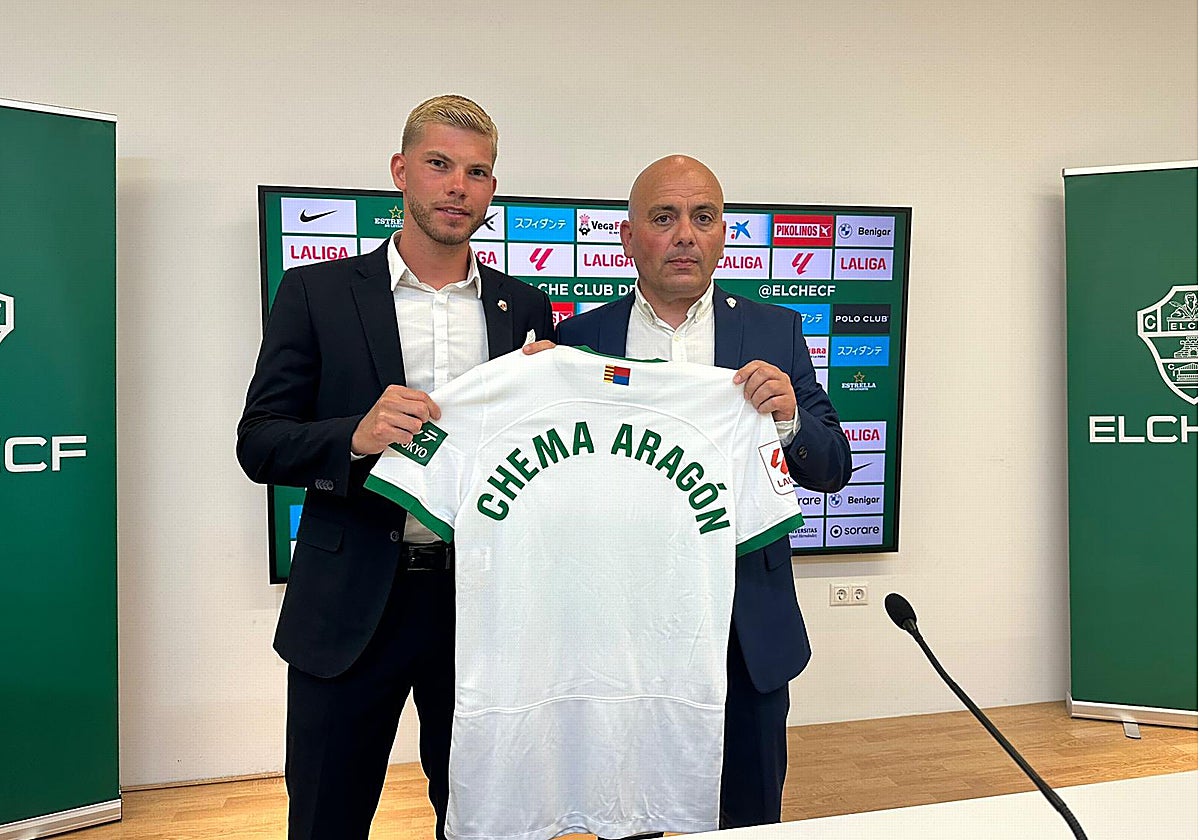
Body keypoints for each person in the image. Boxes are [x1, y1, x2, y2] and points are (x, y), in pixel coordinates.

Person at [237, 95, 553, 840]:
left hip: (484, 607)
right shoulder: (316, 293)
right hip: (347, 606)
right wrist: (356, 436)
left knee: (484, 822)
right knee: (327, 821)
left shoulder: (524, 308)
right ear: (400, 171)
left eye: (478, 172)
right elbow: (260, 442)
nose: (458, 187)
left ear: (492, 188)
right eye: (440, 165)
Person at [556, 155, 852, 830]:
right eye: (664, 217)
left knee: (748, 815)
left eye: (703, 217)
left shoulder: (775, 331)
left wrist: (790, 419)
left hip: (744, 630)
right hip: (620, 632)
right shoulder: (578, 339)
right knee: (626, 816)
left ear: (723, 235)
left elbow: (833, 467)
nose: (685, 234)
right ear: (629, 237)